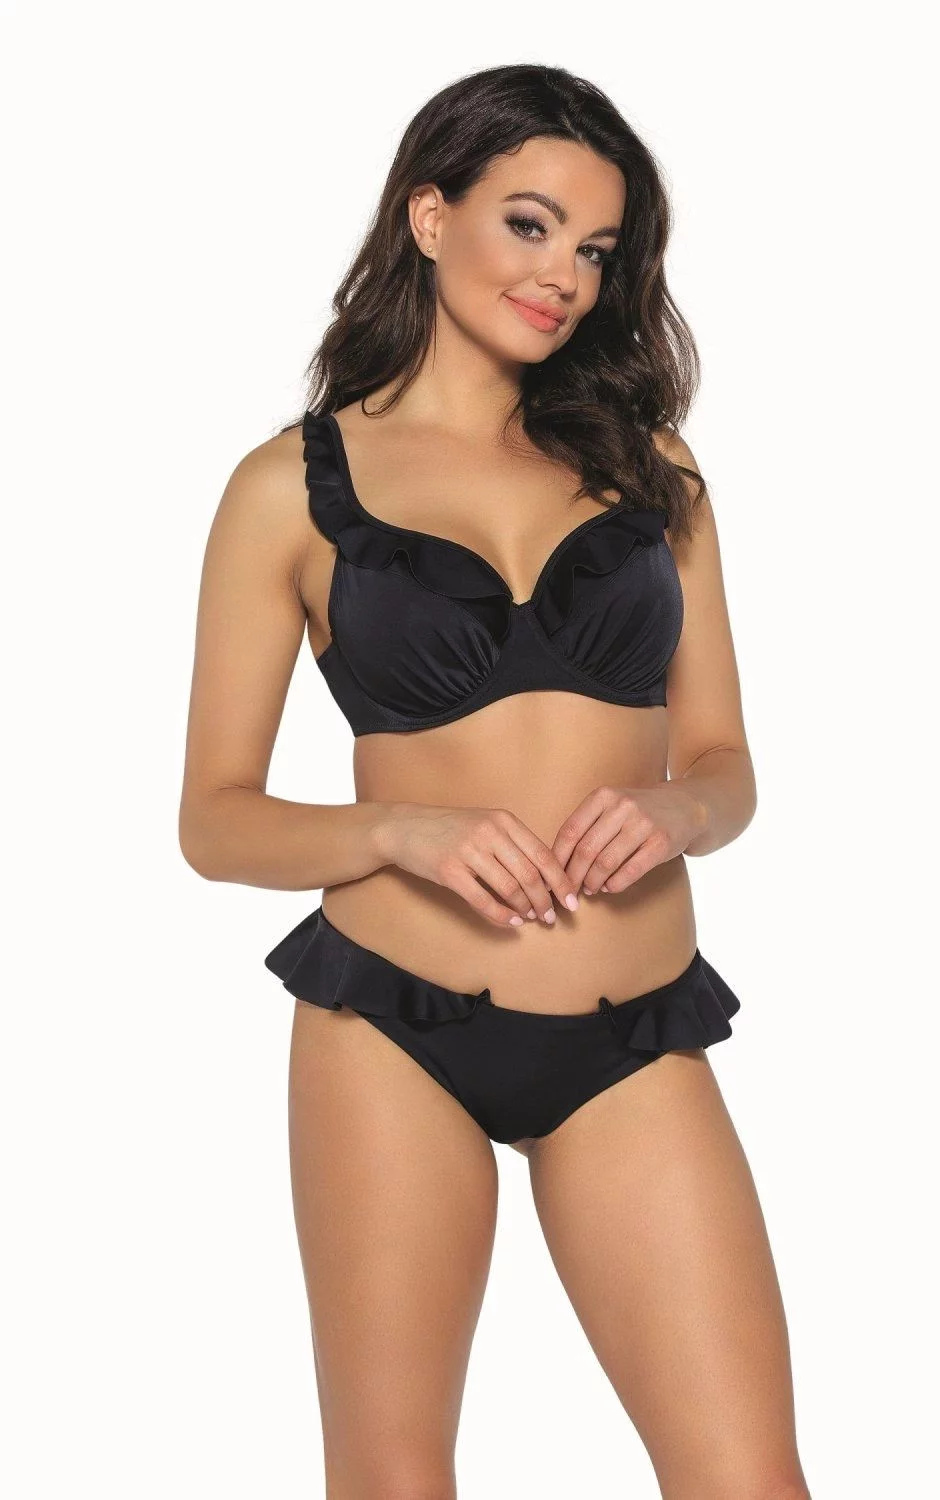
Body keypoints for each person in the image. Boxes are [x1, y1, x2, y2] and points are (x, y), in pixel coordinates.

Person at [179, 62, 810, 1500]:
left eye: (595, 248)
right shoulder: (289, 488)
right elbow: (213, 819)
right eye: (529, 225)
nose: (563, 278)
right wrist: (399, 829)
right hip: (394, 1026)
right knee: (395, 1480)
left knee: (749, 1479)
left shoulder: (652, 471)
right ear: (429, 215)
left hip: (631, 1030)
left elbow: (726, 764)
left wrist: (680, 809)